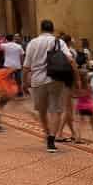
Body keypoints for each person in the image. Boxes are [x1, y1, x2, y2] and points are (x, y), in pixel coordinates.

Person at [22, 19, 79, 153]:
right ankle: (51, 140)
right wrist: (77, 79)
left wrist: (24, 83)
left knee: (42, 110)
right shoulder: (59, 42)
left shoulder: (32, 43)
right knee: (56, 110)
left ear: (40, 29)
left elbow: (25, 67)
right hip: (56, 79)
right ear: (52, 29)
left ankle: (47, 132)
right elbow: (71, 61)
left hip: (37, 81)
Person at [74, 68, 93, 144]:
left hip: (80, 106)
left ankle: (78, 138)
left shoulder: (77, 87)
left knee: (79, 123)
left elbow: (74, 95)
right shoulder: (89, 86)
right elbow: (92, 94)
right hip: (89, 107)